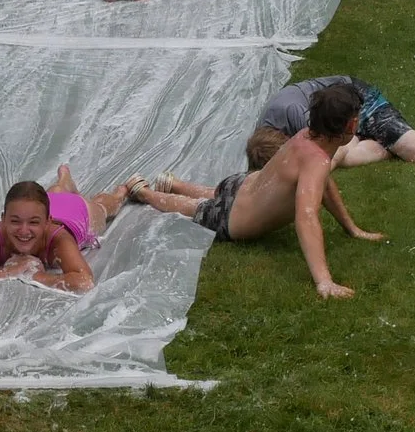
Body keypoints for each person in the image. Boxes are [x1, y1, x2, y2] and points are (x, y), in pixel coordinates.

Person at [129, 83, 385, 298]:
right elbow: (306, 216)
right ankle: (145, 193)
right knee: (195, 208)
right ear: (351, 126)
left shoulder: (306, 135)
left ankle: (177, 184)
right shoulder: (316, 161)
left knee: (213, 193)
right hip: (231, 220)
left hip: (240, 184)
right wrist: (324, 281)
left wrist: (351, 228)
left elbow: (325, 185)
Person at [0, 170, 131, 293]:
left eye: (33, 223)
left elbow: (84, 281)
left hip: (76, 213)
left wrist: (35, 276)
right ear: (3, 219)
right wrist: (7, 274)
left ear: (48, 223)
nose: (23, 231)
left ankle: (120, 193)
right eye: (14, 221)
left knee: (103, 207)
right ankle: (62, 183)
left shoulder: (59, 239)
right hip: (45, 204)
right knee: (48, 197)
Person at [248, 74, 415, 168]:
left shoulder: (297, 115)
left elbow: (330, 152)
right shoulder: (265, 137)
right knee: (345, 156)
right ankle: (386, 146)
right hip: (339, 122)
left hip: (355, 98)